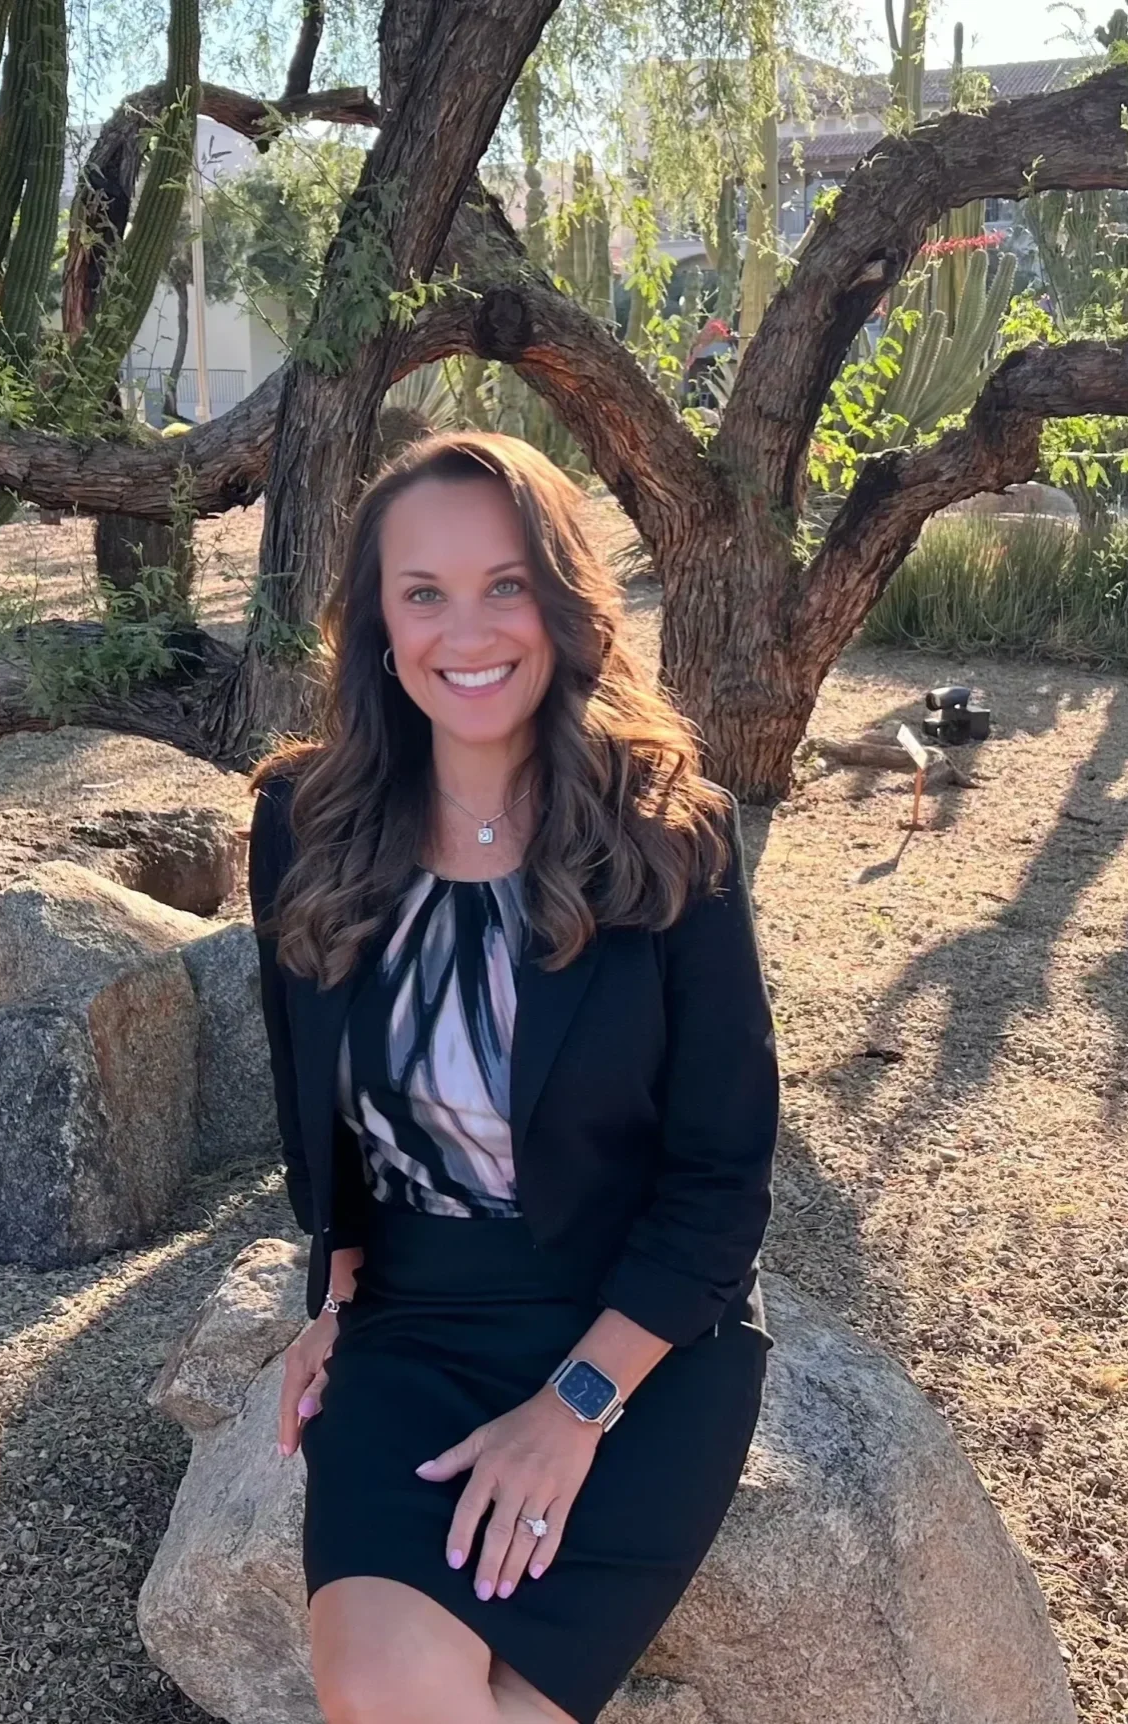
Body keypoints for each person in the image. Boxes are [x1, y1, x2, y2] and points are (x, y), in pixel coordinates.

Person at [248, 430, 779, 1724]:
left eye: (505, 584)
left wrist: (576, 1406)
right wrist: (336, 1279)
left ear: (561, 598)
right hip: (417, 1331)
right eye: (421, 592)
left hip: (638, 1336)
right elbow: (311, 1111)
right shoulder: (299, 825)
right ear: (377, 622)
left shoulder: (667, 835)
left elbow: (721, 1180)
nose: (465, 630)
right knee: (380, 1686)